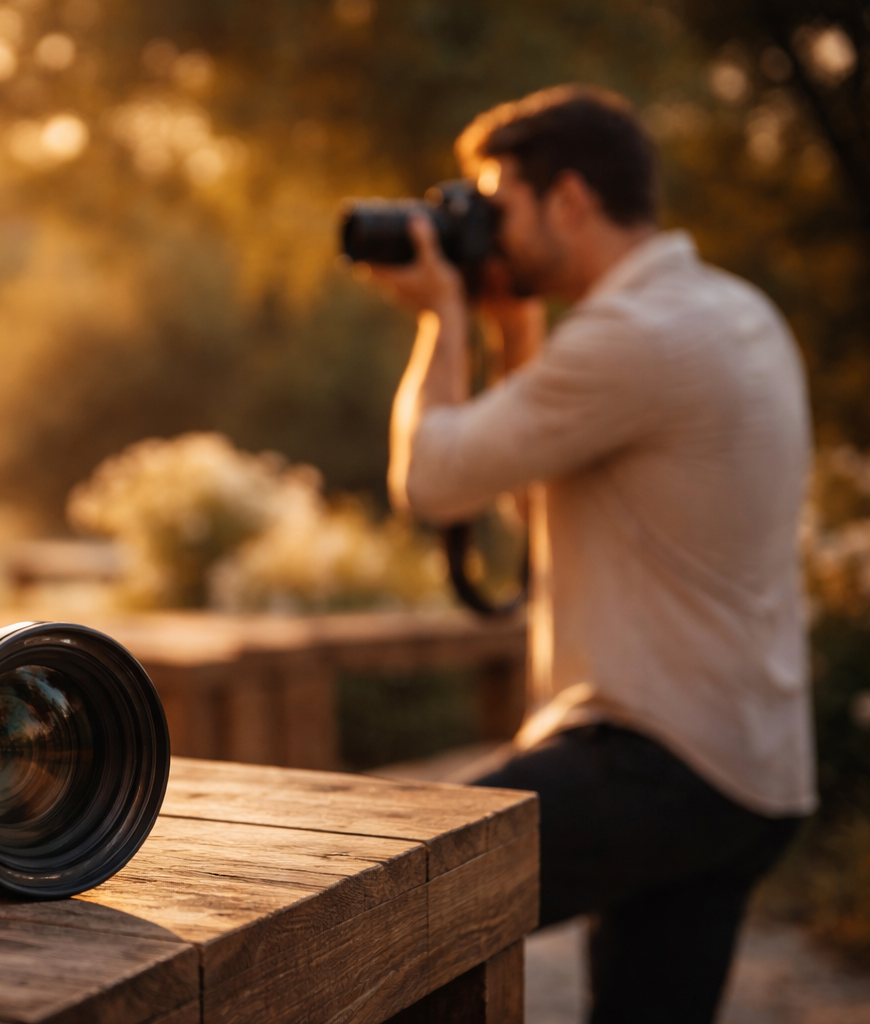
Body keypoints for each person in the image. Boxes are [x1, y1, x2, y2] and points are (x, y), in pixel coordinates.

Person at [361, 85, 814, 1023]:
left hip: (655, 763)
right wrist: (513, 329)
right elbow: (546, 506)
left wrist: (441, 319)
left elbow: (434, 480)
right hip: (749, 769)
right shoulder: (730, 310)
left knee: (380, 914)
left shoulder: (631, 337)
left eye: (499, 206)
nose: (488, 230)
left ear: (568, 198)